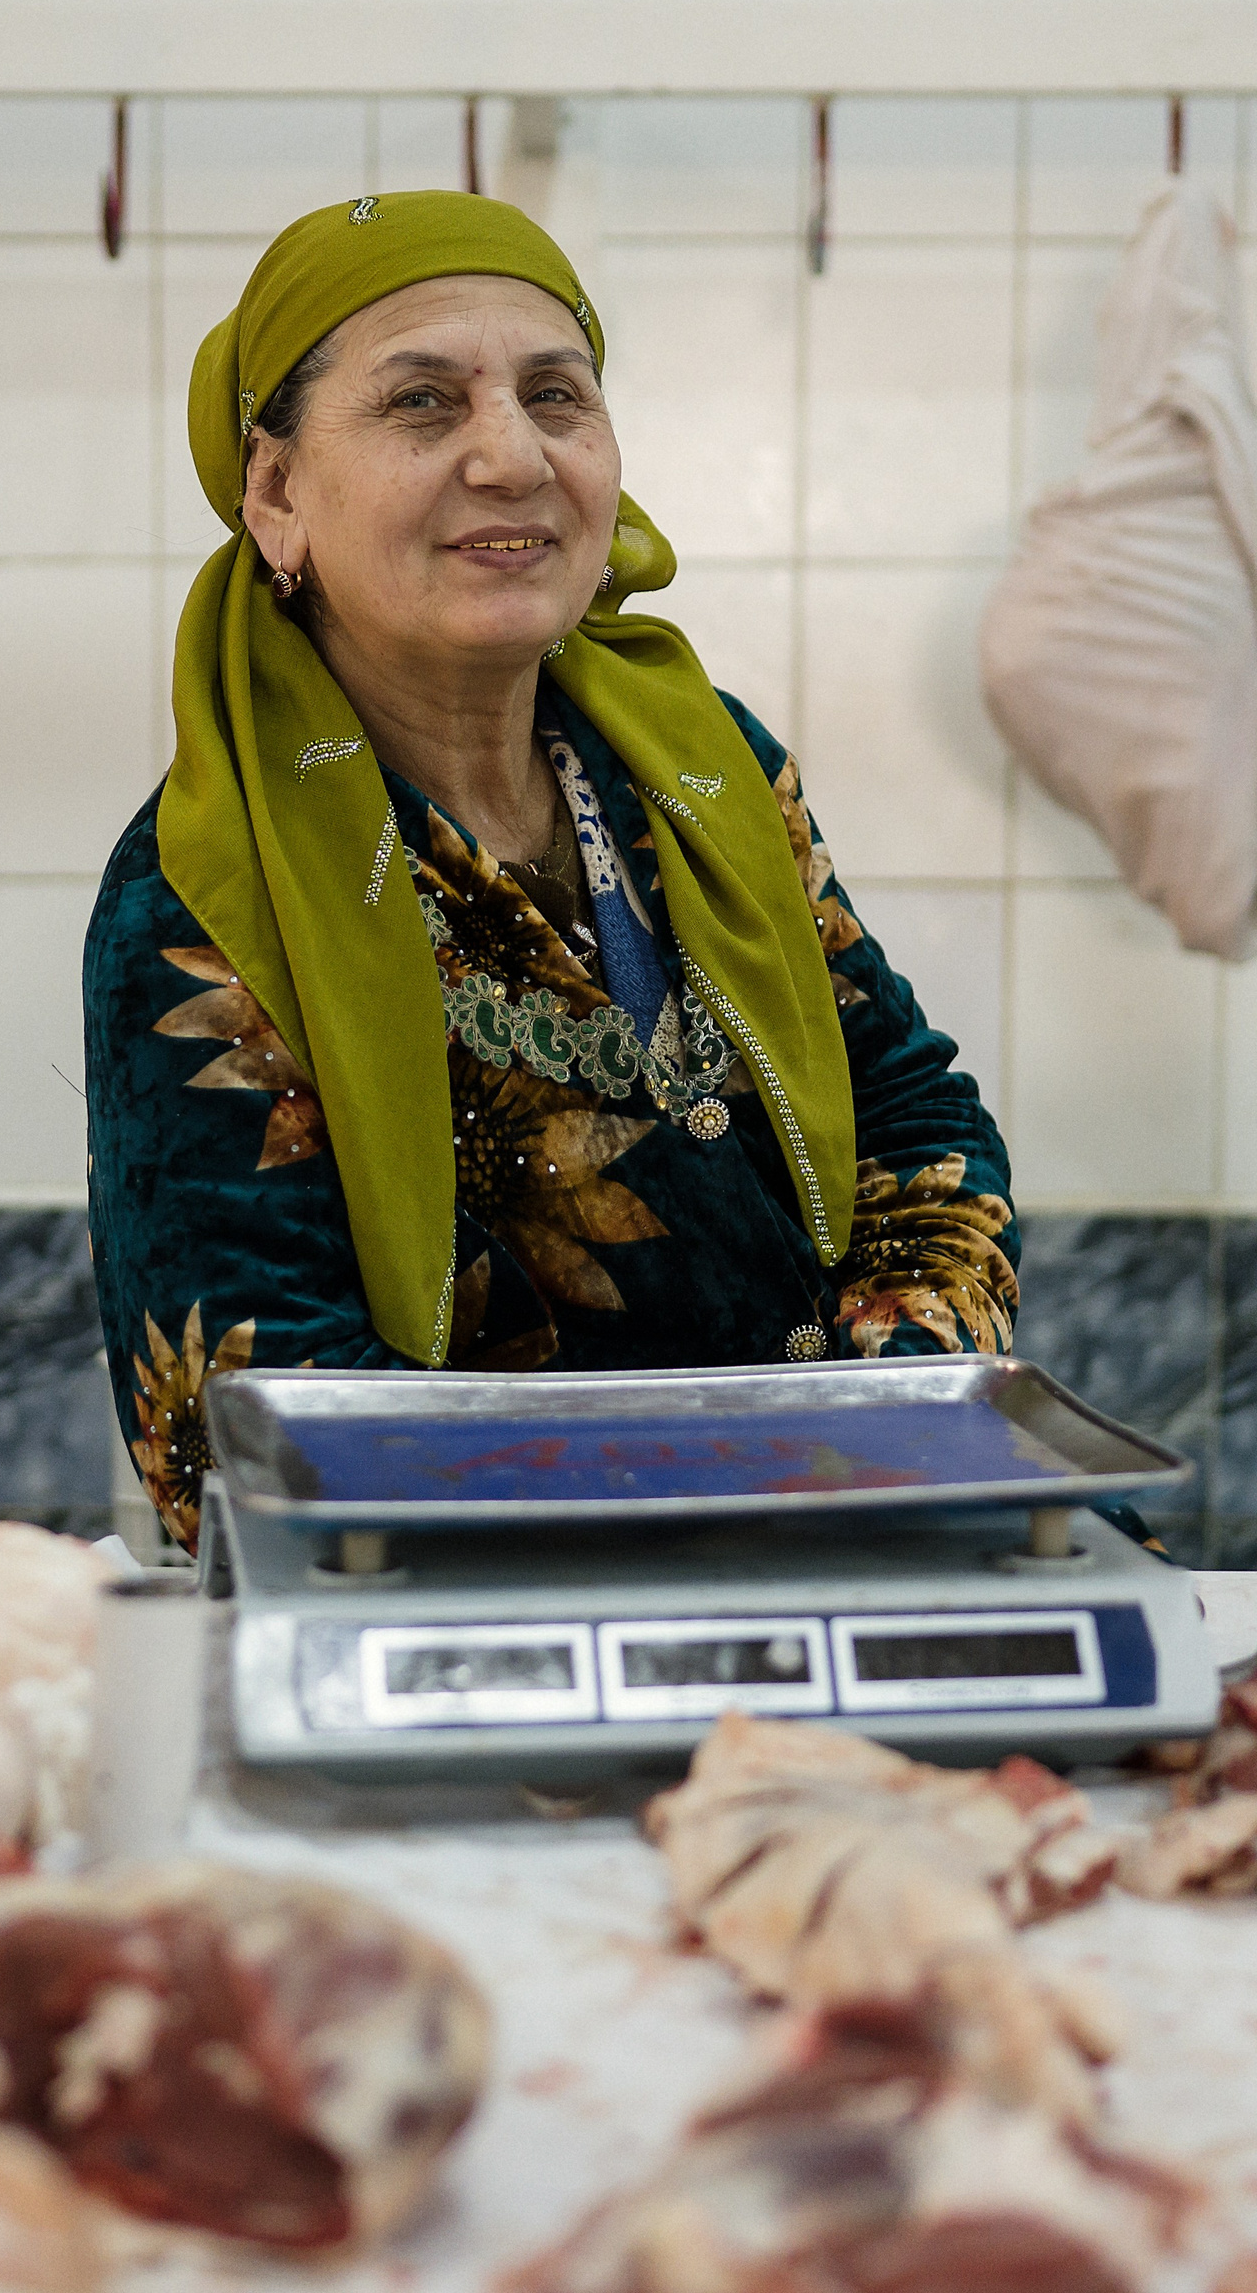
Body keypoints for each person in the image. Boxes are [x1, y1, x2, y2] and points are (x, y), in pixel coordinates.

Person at [84, 192, 1018, 1551]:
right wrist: (722, 1515)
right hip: (490, 1649)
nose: (512, 457)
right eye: (422, 404)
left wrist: (883, 1412)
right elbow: (238, 1427)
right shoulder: (203, 894)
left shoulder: (705, 771)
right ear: (277, 493)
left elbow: (918, 1121)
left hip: (851, 1541)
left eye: (555, 395)